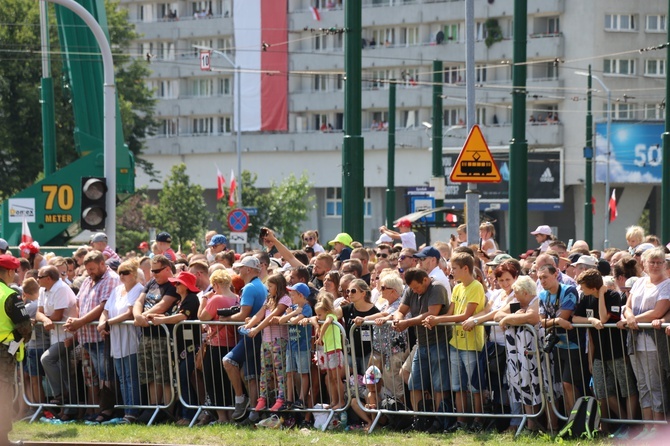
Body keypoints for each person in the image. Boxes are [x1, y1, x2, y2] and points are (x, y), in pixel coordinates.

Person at [424, 252, 486, 432]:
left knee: (474, 387)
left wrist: (437, 320)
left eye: (454, 268)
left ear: (465, 268)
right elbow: (451, 313)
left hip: (471, 344)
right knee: (458, 386)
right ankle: (461, 421)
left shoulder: (476, 287)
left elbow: (466, 316)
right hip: (455, 343)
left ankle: (479, 421)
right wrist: (435, 318)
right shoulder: (457, 287)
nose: (451, 271)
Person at [573, 269, 638, 433]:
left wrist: (601, 295)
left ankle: (630, 425)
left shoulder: (613, 296)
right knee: (602, 391)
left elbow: (603, 318)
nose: (581, 290)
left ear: (594, 287)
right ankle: (624, 422)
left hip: (618, 353)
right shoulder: (585, 298)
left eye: (583, 287)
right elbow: (574, 318)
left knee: (628, 389)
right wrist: (590, 319)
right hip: (599, 355)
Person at [617, 247, 670, 440]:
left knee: (655, 384)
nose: (656, 265)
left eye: (659, 262)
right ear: (644, 263)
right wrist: (629, 316)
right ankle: (647, 428)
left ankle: (658, 428)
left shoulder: (667, 285)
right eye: (652, 262)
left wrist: (632, 320)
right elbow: (627, 306)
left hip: (653, 342)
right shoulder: (639, 282)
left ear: (664, 264)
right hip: (635, 340)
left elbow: (658, 312)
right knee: (642, 385)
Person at [63, 250, 120, 421]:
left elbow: (103, 306)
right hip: (86, 338)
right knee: (93, 377)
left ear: (103, 264)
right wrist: (75, 320)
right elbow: (79, 302)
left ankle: (108, 411)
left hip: (102, 337)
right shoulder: (88, 280)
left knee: (106, 375)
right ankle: (96, 409)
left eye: (93, 269)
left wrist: (80, 322)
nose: (90, 272)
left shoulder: (111, 279)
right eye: (87, 269)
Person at [392, 268, 450, 422]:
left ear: (425, 280)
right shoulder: (411, 290)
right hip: (421, 343)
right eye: (413, 289)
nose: (415, 291)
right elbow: (401, 310)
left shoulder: (437, 288)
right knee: (413, 383)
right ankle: (419, 419)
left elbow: (432, 313)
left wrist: (407, 323)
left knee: (439, 385)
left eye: (417, 287)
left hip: (439, 342)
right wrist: (398, 319)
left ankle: (440, 419)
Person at [149, 271, 202, 424]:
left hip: (190, 348)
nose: (175, 285)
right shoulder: (180, 300)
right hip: (180, 349)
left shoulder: (191, 299)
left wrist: (162, 320)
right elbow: (175, 315)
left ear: (186, 285)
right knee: (181, 380)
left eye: (178, 283)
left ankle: (189, 415)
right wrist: (159, 317)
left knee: (185, 378)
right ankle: (185, 413)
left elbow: (182, 317)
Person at [132, 255, 179, 423]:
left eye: (157, 271)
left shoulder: (173, 285)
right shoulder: (151, 283)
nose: (153, 274)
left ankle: (167, 411)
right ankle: (154, 408)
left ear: (167, 269)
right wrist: (138, 316)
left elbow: (163, 305)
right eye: (151, 270)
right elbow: (139, 300)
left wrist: (142, 317)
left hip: (162, 337)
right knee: (150, 375)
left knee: (164, 376)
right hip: (146, 335)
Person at [493, 276, 544, 431]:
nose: (514, 296)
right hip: (517, 355)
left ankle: (539, 424)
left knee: (534, 385)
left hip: (533, 353)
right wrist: (514, 317)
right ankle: (529, 423)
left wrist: (510, 318)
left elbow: (532, 317)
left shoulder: (536, 300)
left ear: (524, 292)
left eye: (516, 293)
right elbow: (497, 316)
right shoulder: (516, 304)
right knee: (522, 386)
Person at [98, 260, 144, 424]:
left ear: (133, 274)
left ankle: (133, 412)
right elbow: (106, 310)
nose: (122, 276)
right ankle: (127, 411)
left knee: (131, 377)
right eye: (120, 273)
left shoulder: (139, 289)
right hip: (116, 338)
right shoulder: (117, 290)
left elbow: (129, 313)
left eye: (125, 273)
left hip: (130, 338)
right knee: (122, 378)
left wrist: (108, 323)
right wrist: (101, 322)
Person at [537, 264, 586, 417]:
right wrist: (557, 321)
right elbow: (541, 321)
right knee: (564, 386)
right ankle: (571, 419)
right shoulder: (543, 295)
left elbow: (565, 317)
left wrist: (555, 320)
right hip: (558, 344)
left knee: (569, 383)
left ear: (556, 274)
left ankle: (578, 418)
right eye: (539, 278)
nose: (542, 281)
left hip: (574, 343)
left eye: (545, 277)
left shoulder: (568, 290)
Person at [222, 256, 267, 420]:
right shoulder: (260, 286)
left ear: (248, 269)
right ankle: (254, 413)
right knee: (249, 375)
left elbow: (244, 314)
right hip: (256, 334)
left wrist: (225, 320)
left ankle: (241, 400)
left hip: (251, 335)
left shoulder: (249, 287)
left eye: (241, 267)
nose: (238, 270)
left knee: (228, 362)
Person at [243, 273, 291, 413]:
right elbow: (259, 314)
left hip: (279, 341)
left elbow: (271, 317)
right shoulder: (268, 299)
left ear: (278, 286)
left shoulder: (285, 299)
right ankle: (262, 398)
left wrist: (256, 329)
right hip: (266, 342)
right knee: (264, 371)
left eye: (270, 286)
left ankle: (281, 398)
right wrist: (248, 326)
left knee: (280, 372)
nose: (268, 288)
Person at [197, 269, 239, 423]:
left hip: (216, 345)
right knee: (227, 383)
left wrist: (204, 300)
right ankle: (230, 416)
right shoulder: (237, 298)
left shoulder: (215, 299)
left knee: (214, 382)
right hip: (232, 345)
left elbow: (202, 318)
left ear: (215, 284)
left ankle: (223, 417)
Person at [0, 254, 32, 444]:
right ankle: (3, 439)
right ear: (11, 272)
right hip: (3, 353)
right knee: (3, 394)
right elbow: (25, 328)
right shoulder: (10, 295)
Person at [278, 283, 313, 410]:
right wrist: (294, 313)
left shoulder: (307, 308)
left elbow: (293, 321)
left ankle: (302, 399)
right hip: (291, 347)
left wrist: (295, 313)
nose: (291, 297)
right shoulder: (293, 308)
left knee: (303, 373)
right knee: (289, 373)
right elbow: (281, 321)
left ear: (301, 295)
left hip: (302, 347)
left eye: (293, 294)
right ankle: (289, 400)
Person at [308, 295, 345, 409]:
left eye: (320, 314)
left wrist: (320, 336)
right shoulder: (324, 317)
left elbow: (327, 322)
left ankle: (341, 401)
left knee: (336, 378)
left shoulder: (331, 315)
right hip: (328, 350)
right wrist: (316, 325)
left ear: (326, 311)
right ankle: (334, 401)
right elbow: (312, 319)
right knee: (331, 378)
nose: (318, 317)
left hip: (335, 350)